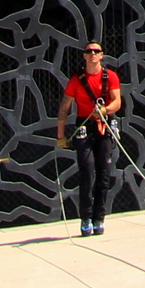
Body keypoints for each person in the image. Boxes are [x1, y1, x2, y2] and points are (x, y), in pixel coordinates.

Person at [55, 40, 123, 235]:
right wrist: (61, 135)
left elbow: (117, 101)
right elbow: (64, 108)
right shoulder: (76, 80)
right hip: (84, 126)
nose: (93, 54)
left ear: (102, 55)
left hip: (103, 126)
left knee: (103, 174)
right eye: (89, 51)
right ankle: (85, 217)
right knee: (86, 172)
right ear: (84, 55)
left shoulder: (110, 77)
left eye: (97, 51)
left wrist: (105, 110)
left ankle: (99, 218)